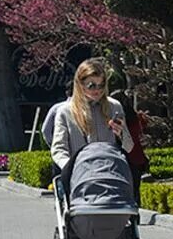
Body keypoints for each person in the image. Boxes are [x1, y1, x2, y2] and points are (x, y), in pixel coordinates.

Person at [48, 58, 128, 187]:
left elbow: (129, 147)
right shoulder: (65, 111)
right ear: (80, 84)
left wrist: (122, 134)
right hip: (80, 177)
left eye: (101, 85)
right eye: (91, 85)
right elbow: (58, 149)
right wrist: (71, 168)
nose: (97, 90)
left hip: (110, 174)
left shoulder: (114, 107)